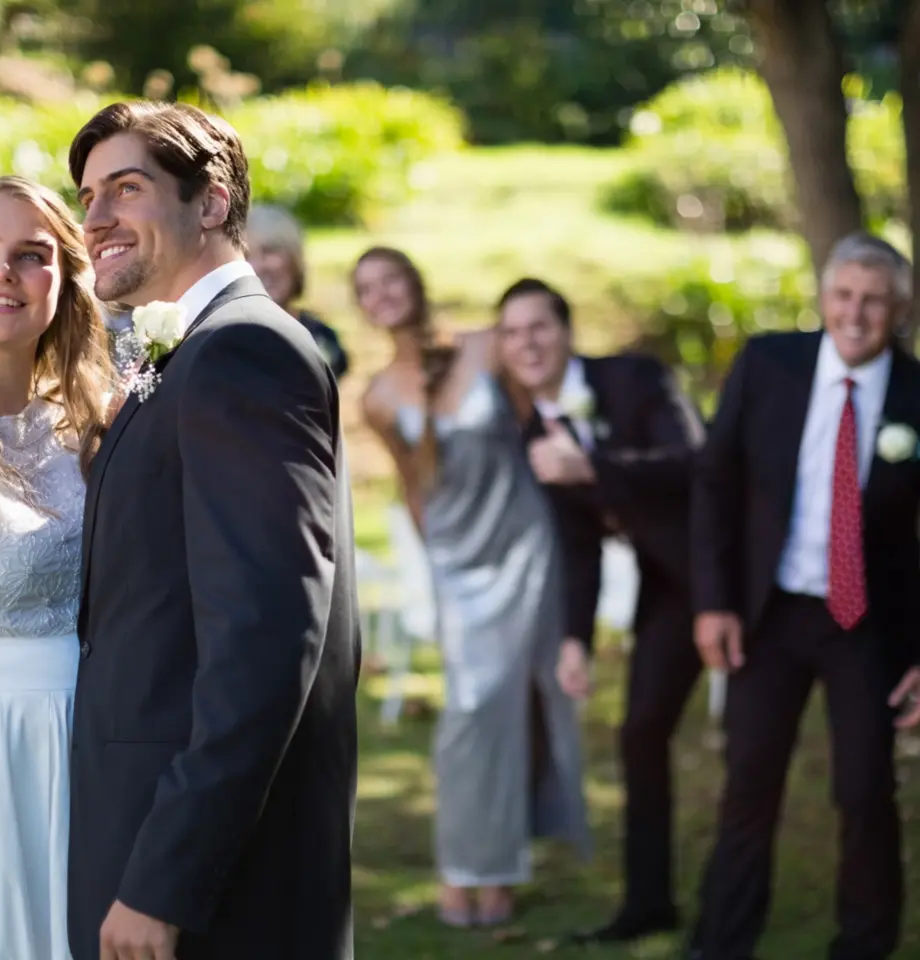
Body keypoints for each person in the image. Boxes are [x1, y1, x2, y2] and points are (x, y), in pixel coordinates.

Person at [66, 101, 360, 960]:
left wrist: (164, 882)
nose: (96, 218)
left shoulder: (241, 352)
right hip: (147, 826)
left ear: (213, 201)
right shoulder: (190, 349)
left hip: (208, 883)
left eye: (126, 188)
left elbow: (266, 638)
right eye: (87, 196)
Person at [687, 232, 920, 960]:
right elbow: (714, 482)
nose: (856, 314)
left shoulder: (916, 394)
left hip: (867, 622)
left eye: (874, 300)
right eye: (843, 295)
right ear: (823, 298)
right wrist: (714, 602)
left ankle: (865, 947)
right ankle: (720, 946)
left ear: (900, 310)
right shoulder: (768, 364)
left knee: (865, 791)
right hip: (771, 612)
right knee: (749, 784)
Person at [355, 247, 591, 927]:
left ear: (416, 282)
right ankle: (464, 868)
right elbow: (412, 485)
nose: (383, 293)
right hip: (459, 564)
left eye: (392, 279)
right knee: (470, 710)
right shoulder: (376, 397)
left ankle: (503, 868)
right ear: (363, 306)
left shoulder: (487, 347)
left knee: (532, 703)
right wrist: (436, 564)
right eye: (367, 288)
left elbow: (548, 416)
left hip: (526, 544)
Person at [495, 277, 704, 943]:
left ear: (566, 331)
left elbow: (690, 462)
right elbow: (578, 544)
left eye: (539, 327)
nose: (527, 344)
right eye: (511, 333)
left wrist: (590, 465)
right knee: (640, 733)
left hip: (735, 574)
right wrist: (575, 640)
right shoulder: (535, 431)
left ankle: (733, 918)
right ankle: (649, 905)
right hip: (667, 588)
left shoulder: (635, 378)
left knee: (760, 739)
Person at [0, 175, 111, 959]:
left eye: (31, 254)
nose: (2, 271)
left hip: (97, 741)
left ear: (62, 280)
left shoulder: (101, 425)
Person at [247, 203, 349, 379]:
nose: (259, 267)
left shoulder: (323, 338)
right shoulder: (219, 342)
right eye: (246, 256)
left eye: (270, 251)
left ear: (295, 258)